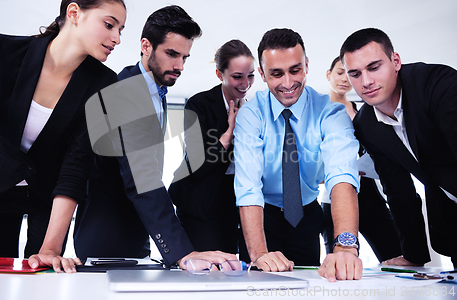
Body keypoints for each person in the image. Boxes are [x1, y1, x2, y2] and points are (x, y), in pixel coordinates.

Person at [0, 0, 126, 272]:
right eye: (110, 25)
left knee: (43, 274)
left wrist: (51, 248)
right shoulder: (0, 52)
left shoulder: (104, 85)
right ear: (74, 13)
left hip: (49, 197)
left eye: (121, 30)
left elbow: (78, 162)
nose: (117, 38)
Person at [74, 5, 237, 268]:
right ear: (146, 46)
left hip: (135, 237)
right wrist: (182, 251)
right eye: (172, 54)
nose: (179, 65)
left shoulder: (154, 93)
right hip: (108, 238)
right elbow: (142, 176)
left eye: (185, 57)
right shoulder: (126, 93)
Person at [234, 28, 363, 282]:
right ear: (262, 74)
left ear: (306, 66)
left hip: (306, 215)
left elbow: (342, 176)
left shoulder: (330, 113)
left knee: (306, 286)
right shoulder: (251, 114)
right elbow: (248, 186)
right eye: (276, 74)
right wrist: (259, 253)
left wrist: (346, 247)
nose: (288, 83)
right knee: (258, 286)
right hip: (263, 215)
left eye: (295, 70)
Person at [340, 27, 457, 267]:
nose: (366, 81)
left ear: (395, 61)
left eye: (374, 67)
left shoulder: (439, 85)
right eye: (355, 73)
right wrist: (413, 256)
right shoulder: (366, 123)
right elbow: (397, 189)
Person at [168, 40, 254, 257]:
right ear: (219, 74)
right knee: (208, 269)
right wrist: (229, 133)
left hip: (237, 199)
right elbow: (197, 163)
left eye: (250, 75)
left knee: (239, 268)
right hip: (201, 200)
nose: (245, 83)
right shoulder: (199, 105)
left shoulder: (253, 109)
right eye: (237, 76)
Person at [320, 57, 402, 262]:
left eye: (349, 74)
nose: (344, 79)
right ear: (328, 74)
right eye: (339, 73)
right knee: (339, 263)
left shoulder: (365, 112)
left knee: (396, 256)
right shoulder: (317, 114)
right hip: (334, 200)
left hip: (370, 195)